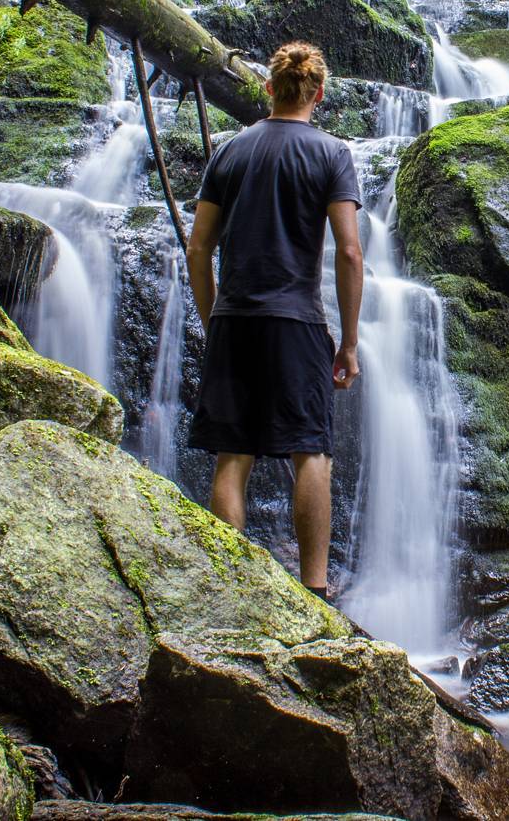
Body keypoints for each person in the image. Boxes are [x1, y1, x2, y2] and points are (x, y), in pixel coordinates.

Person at [185, 41, 363, 600]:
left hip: (235, 318)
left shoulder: (230, 153)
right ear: (320, 92)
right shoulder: (331, 153)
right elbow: (350, 252)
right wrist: (350, 343)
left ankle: (227, 586)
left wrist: (214, 322)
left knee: (233, 454)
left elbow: (198, 249)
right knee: (310, 449)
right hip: (297, 322)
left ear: (268, 88)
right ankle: (314, 591)